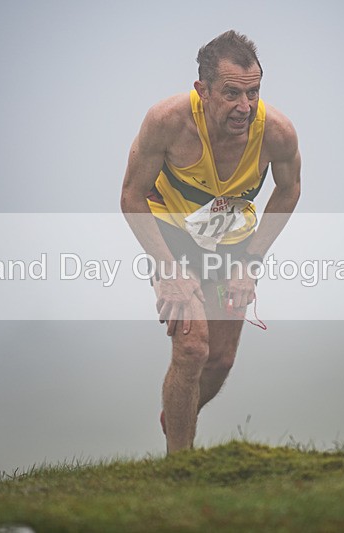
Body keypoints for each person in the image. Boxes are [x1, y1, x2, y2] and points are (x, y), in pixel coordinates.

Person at [120, 30, 301, 452]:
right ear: (202, 90)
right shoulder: (167, 122)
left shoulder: (277, 132)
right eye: (232, 93)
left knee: (219, 360)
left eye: (253, 92)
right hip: (173, 233)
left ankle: (178, 414)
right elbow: (131, 195)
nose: (245, 106)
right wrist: (167, 272)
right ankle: (180, 467)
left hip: (232, 240)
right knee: (193, 349)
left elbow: (289, 189)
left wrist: (250, 263)